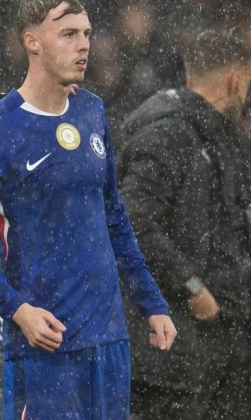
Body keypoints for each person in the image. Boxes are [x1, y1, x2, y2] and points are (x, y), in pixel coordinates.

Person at [0, 1, 177, 419]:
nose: (84, 45)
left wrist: (153, 302)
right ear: (32, 42)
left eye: (86, 33)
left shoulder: (92, 110)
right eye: (68, 34)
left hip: (109, 338)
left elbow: (113, 214)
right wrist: (19, 312)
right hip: (44, 344)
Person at [119, 27, 251, 420]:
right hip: (169, 358)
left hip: (213, 352)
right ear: (234, 80)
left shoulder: (216, 140)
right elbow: (131, 222)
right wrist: (191, 285)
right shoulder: (169, 135)